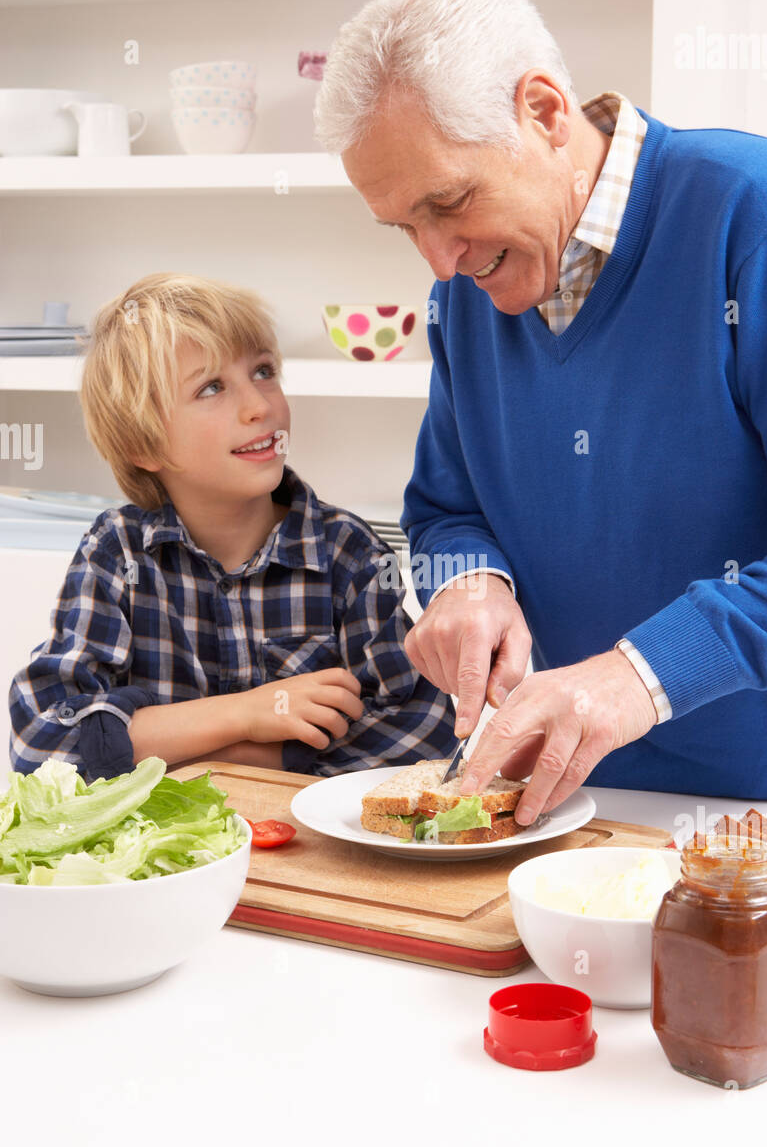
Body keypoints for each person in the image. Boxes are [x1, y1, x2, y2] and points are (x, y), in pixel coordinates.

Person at [314, 0, 767, 820]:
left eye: (450, 201)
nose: (438, 261)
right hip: (572, 811)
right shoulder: (467, 295)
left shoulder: (763, 218)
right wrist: (471, 584)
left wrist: (641, 675)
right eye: (405, 227)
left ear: (543, 111)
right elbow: (447, 509)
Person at [8, 273, 457, 779]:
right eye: (212, 387)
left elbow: (423, 732)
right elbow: (39, 742)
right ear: (145, 445)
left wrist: (185, 754)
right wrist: (245, 714)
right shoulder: (116, 552)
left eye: (263, 371)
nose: (260, 406)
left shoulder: (349, 553)